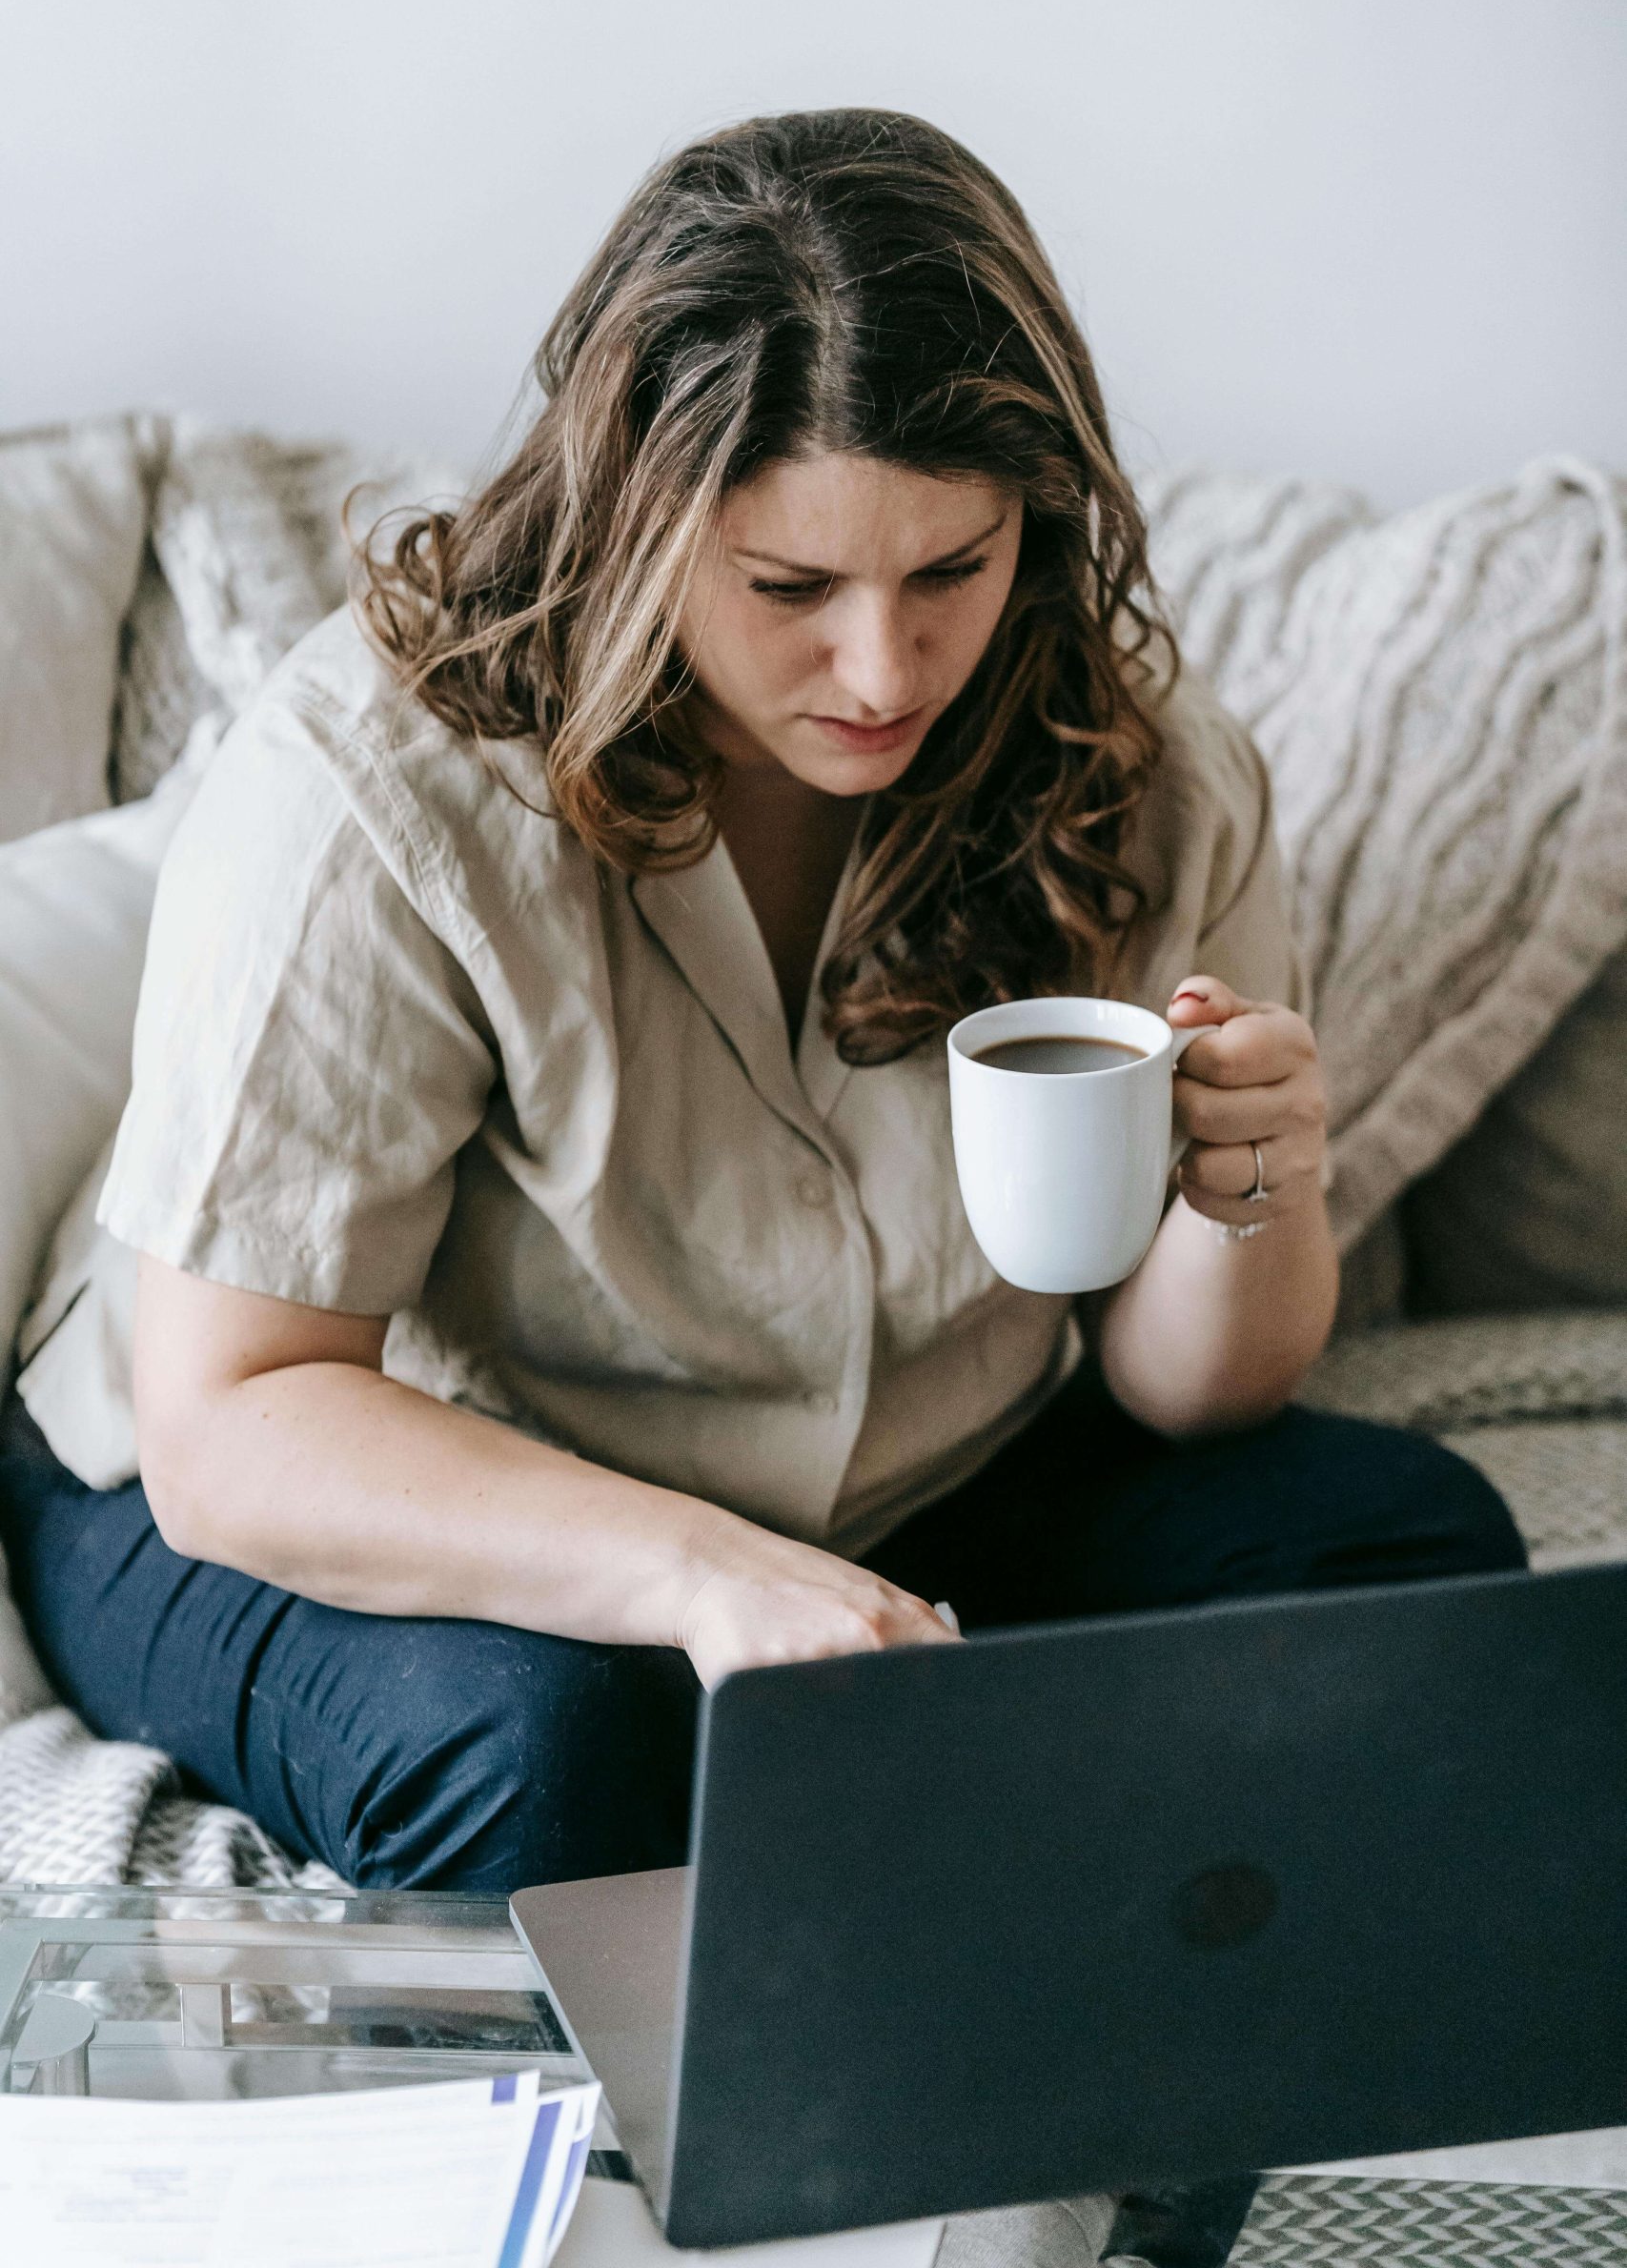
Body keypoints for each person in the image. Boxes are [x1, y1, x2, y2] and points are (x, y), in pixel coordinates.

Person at [0, 108, 1523, 1901]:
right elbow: (236, 1423)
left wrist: (1251, 1186)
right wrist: (700, 1576)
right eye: (791, 589)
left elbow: (1183, 1397)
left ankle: (1033, 1991)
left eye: (952, 570)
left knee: (1409, 1562)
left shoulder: (1153, 781)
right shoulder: (379, 787)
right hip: (345, 1496)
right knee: (548, 1758)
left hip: (894, 1495)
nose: (886, 672)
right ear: (635, 530)